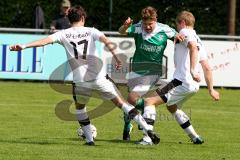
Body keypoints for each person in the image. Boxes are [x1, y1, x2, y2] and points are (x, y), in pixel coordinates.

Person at [9, 5, 160, 146]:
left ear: (69, 19)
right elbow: (107, 41)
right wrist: (116, 57)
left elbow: (44, 42)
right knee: (122, 104)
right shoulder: (91, 30)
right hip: (99, 77)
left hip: (80, 81)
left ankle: (89, 140)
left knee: (80, 108)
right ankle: (148, 128)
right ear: (83, 18)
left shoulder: (63, 34)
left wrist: (24, 46)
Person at [139, 11, 220, 145]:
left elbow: (192, 47)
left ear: (182, 23)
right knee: (172, 107)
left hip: (181, 81)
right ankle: (195, 137)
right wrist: (211, 89)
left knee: (149, 101)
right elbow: (207, 67)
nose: (177, 28)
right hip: (193, 86)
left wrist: (193, 70)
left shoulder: (186, 32)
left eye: (177, 24)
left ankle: (147, 139)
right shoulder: (199, 39)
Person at [118, 6, 184, 143]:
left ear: (156, 20)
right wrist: (124, 26)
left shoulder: (164, 29)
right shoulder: (137, 27)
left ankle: (149, 109)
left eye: (150, 24)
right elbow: (121, 32)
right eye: (145, 24)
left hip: (152, 72)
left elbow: (178, 36)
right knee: (129, 103)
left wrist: (180, 36)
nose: (147, 27)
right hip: (135, 70)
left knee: (131, 98)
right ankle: (127, 125)